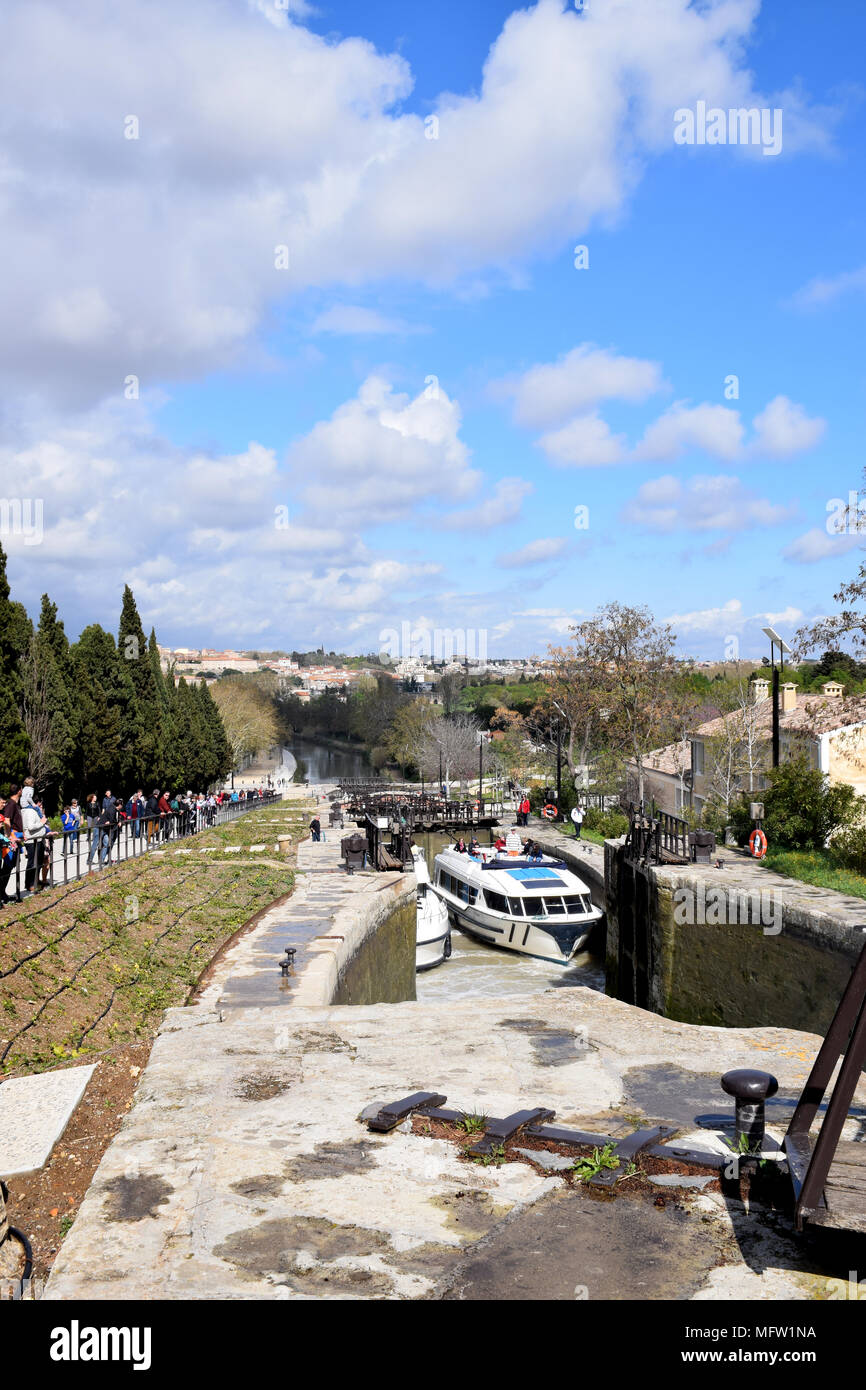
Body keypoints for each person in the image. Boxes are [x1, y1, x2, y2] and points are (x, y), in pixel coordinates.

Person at [0, 786, 24, 905]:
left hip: (14, 838)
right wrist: (10, 836)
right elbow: (7, 820)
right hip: (10, 840)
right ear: (19, 790)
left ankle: (2, 893)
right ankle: (1, 893)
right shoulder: (11, 804)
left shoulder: (14, 804)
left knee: (9, 867)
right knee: (7, 866)